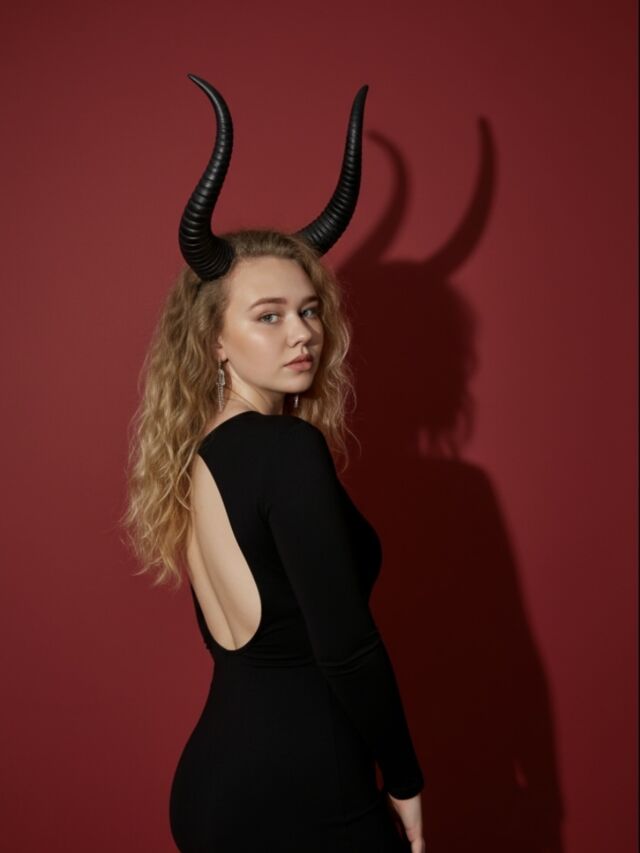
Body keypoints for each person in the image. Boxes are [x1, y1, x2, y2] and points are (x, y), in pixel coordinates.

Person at [121, 75, 425, 852]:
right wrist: (405, 780)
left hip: (215, 787)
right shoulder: (287, 449)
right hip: (308, 797)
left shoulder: (203, 453)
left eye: (309, 309)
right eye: (269, 315)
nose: (303, 333)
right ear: (215, 340)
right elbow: (347, 647)